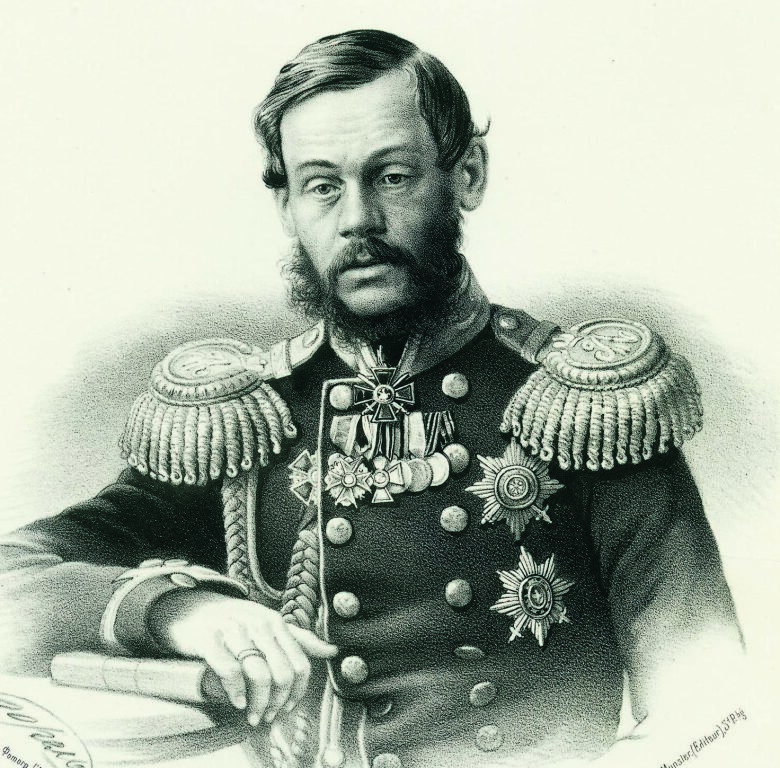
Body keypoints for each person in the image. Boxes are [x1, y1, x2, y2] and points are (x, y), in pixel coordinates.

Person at [0, 29, 743, 768]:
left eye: (391, 176)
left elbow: (714, 714)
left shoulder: (582, 406)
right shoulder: (243, 421)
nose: (357, 219)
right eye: (322, 185)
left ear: (468, 175)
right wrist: (175, 609)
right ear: (286, 205)